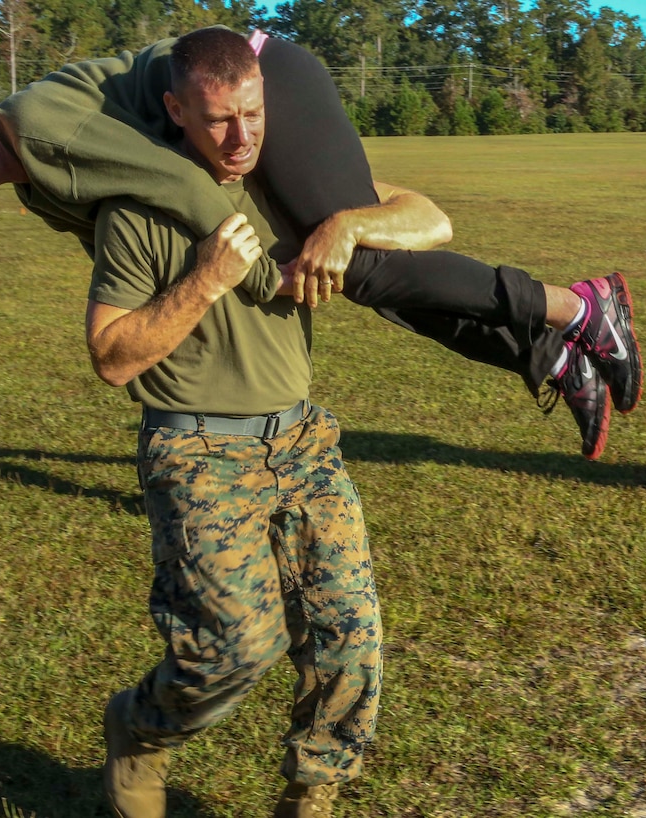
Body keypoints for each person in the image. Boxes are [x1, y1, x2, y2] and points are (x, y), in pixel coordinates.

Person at [0, 30, 642, 460]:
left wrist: (265, 275)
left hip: (258, 84)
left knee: (355, 262)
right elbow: (135, 238)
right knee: (371, 281)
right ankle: (552, 357)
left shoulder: (43, 131)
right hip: (220, 111)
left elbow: (179, 187)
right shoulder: (30, 172)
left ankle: (579, 307)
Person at [85, 27, 444, 817]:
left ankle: (312, 796)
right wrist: (207, 278)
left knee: (351, 638)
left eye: (253, 112)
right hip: (197, 447)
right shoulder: (139, 207)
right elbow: (112, 356)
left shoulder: (286, 180)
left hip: (302, 438)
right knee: (230, 652)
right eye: (217, 119)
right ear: (177, 108)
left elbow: (431, 220)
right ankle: (139, 730)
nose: (241, 137)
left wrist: (346, 225)